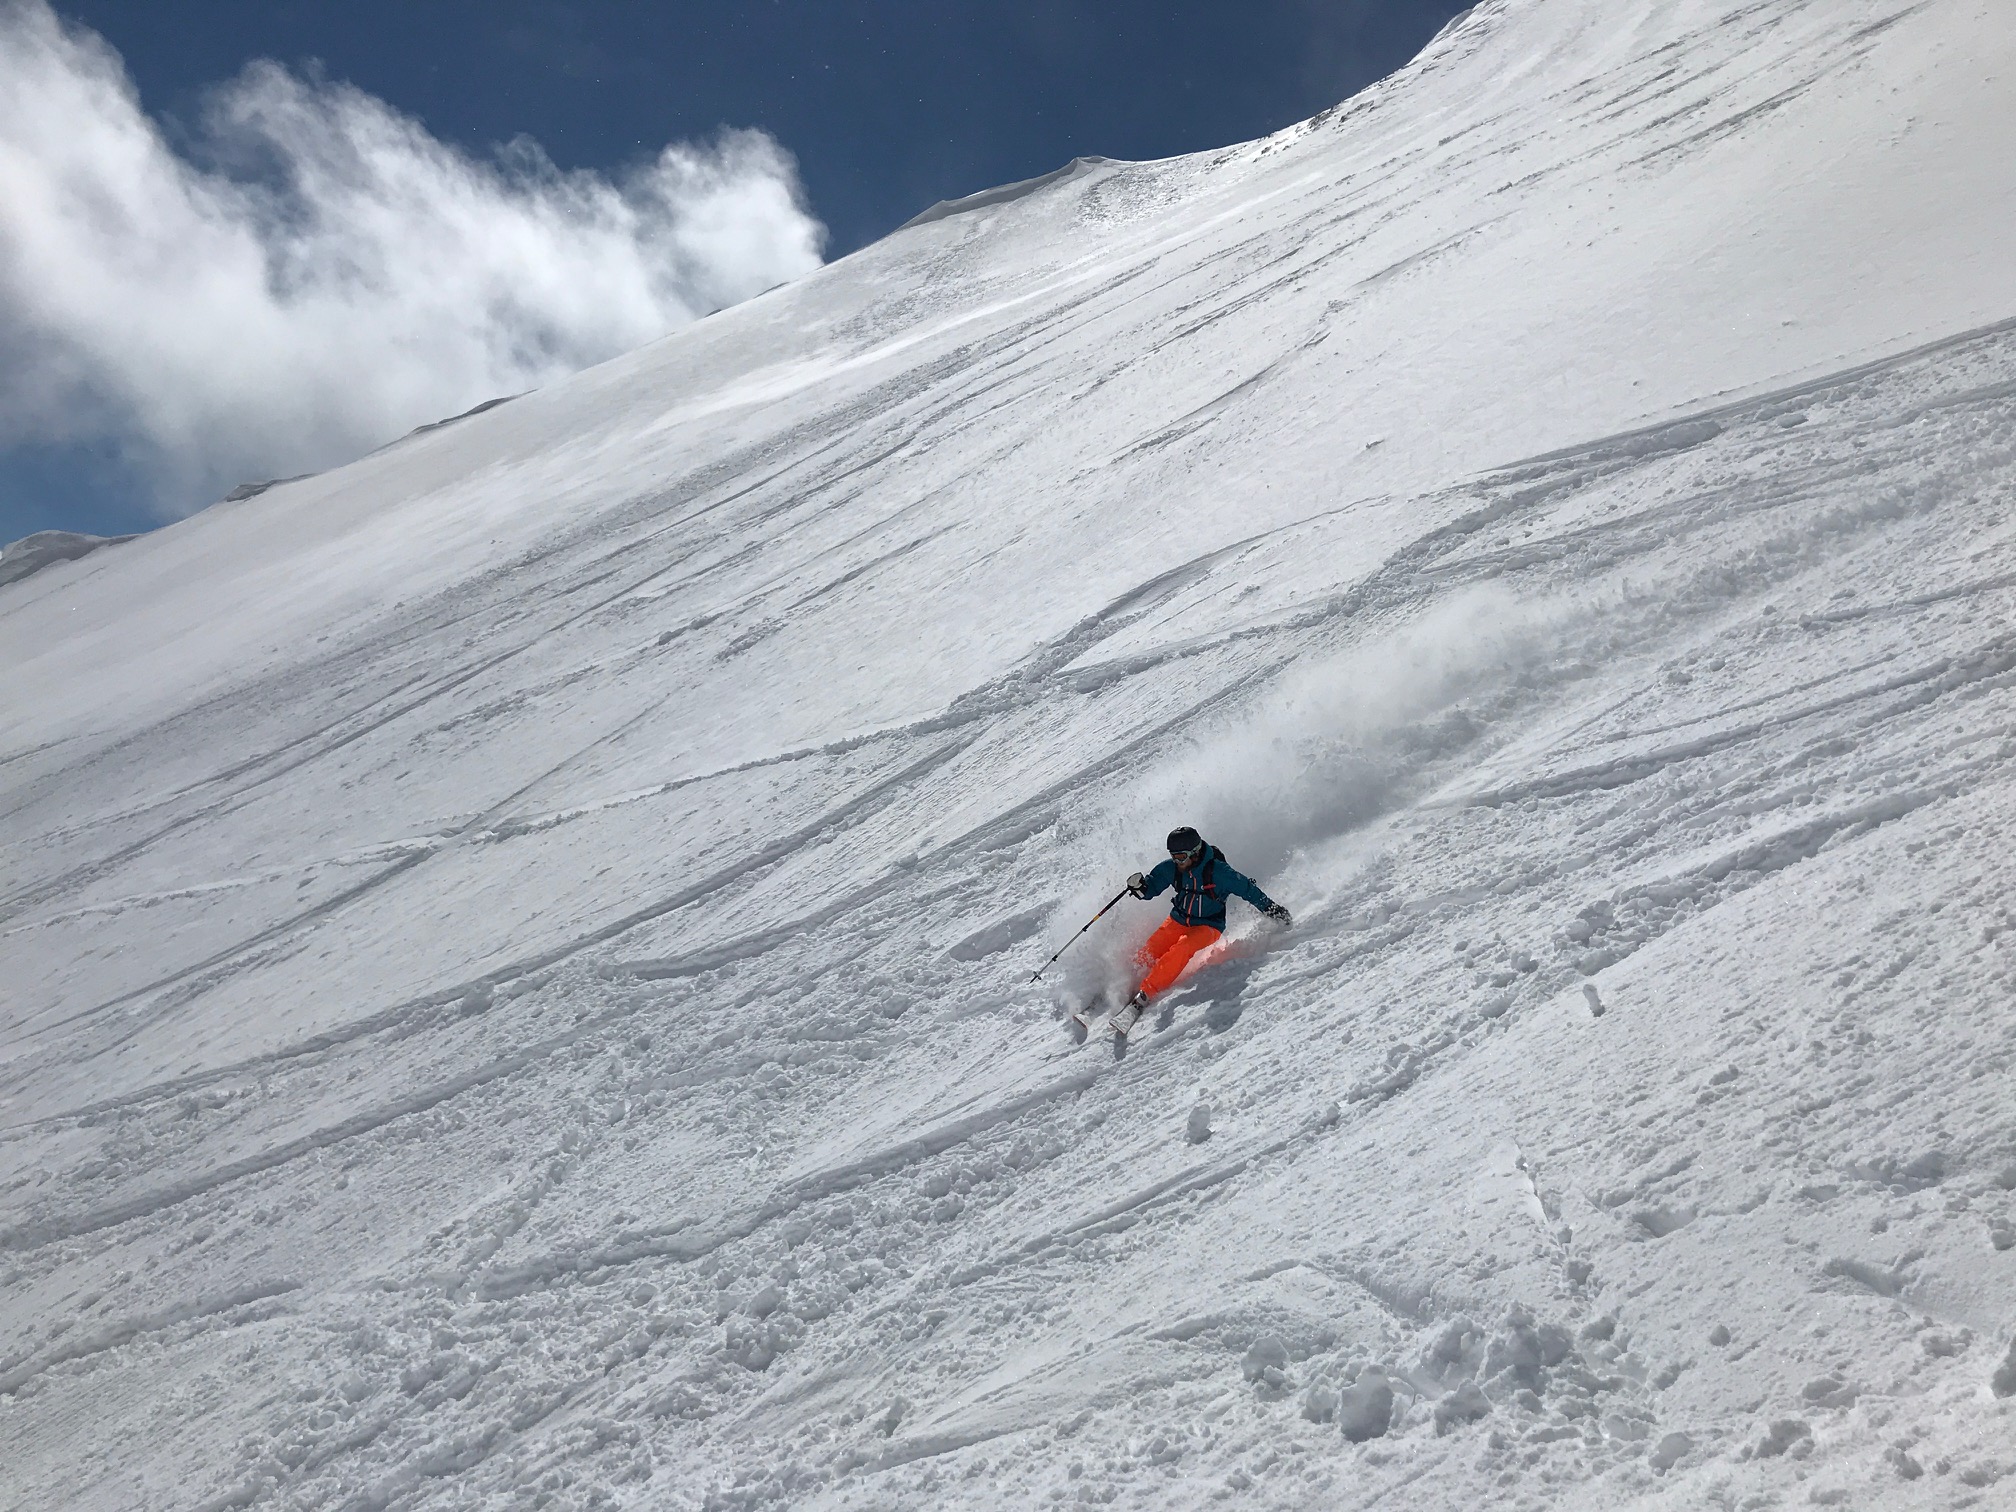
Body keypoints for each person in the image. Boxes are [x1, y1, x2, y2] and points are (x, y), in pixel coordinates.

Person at [1114, 826, 1290, 1029]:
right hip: (1179, 919)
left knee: (1182, 949)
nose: (1177, 862)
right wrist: (1140, 888)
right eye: (1173, 857)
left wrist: (1271, 909)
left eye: (1180, 857)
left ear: (1195, 853)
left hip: (1209, 925)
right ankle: (1128, 980)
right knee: (1152, 948)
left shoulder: (1220, 872)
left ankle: (1146, 994)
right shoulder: (1171, 868)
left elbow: (1248, 890)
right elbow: (1152, 887)